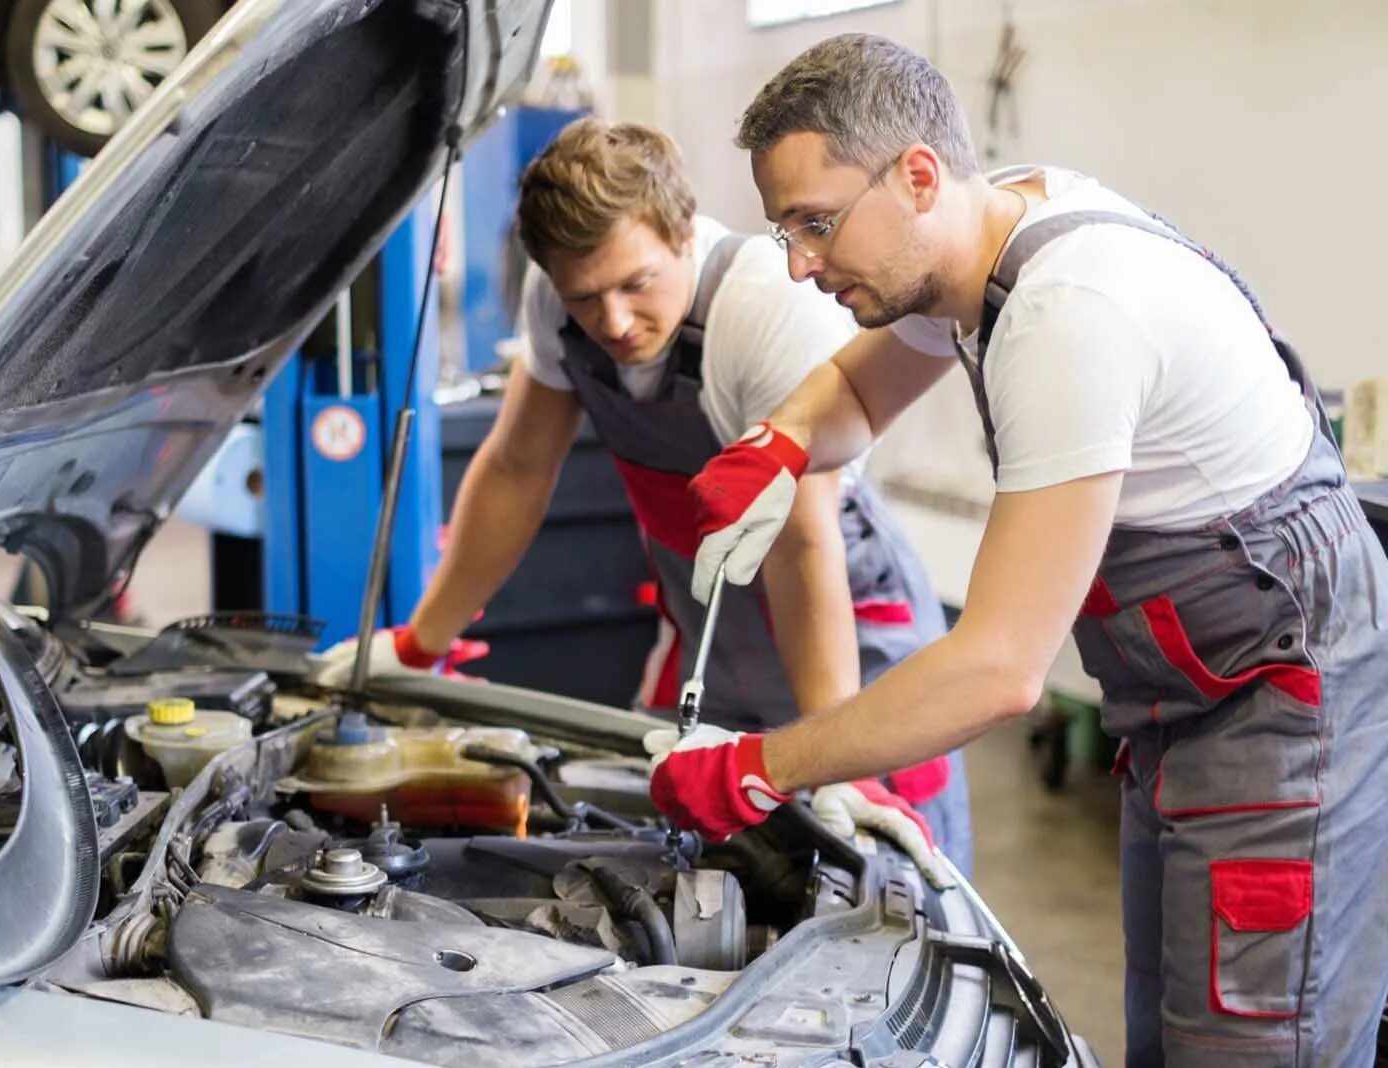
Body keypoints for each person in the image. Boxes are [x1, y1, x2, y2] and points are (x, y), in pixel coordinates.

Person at [644, 32, 1388, 1068]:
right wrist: (781, 441)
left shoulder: (1062, 315)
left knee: (1255, 1044)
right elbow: (859, 391)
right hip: (1182, 704)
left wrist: (764, 767)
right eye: (782, 232)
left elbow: (998, 671)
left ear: (914, 176)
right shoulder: (975, 236)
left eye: (816, 225)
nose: (800, 263)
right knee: (1171, 1031)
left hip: (1280, 702)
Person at [317, 116, 971, 879]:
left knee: (884, 877)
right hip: (710, 624)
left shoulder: (762, 312)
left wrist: (836, 753)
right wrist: (422, 643)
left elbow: (801, 544)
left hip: (845, 626)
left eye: (637, 284)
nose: (614, 322)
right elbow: (518, 469)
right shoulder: (560, 301)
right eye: (587, 297)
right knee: (670, 856)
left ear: (683, 233)